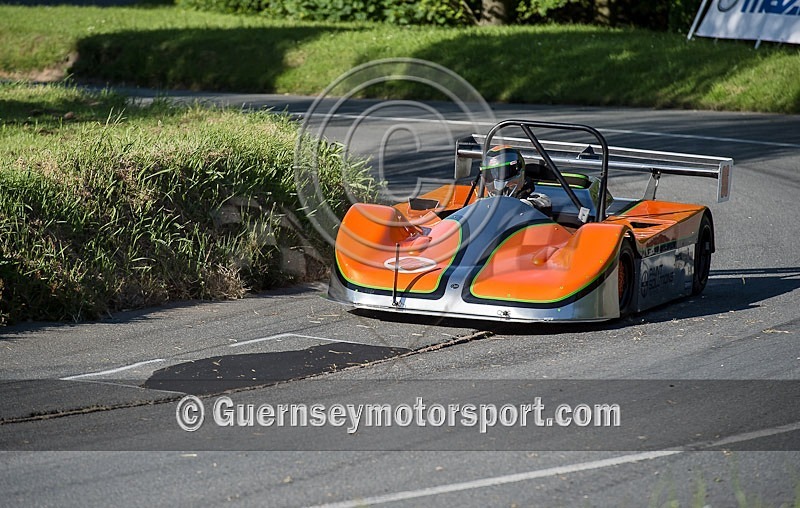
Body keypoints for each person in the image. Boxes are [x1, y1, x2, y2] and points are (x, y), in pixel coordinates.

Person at [481, 145, 551, 213]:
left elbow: (543, 203)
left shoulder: (538, 198)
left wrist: (521, 206)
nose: (496, 180)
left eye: (504, 173)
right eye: (491, 174)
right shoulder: (485, 201)